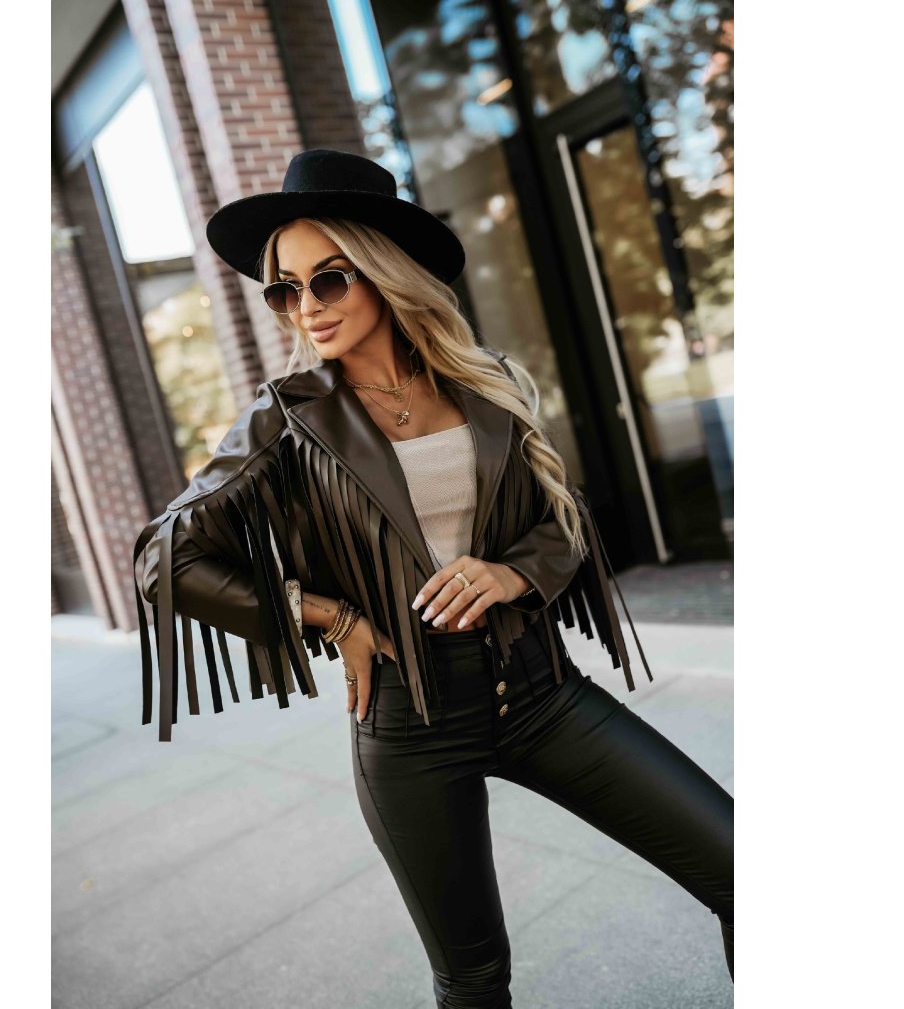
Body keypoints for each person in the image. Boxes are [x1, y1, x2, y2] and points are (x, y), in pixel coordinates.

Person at [133, 148, 733, 1007]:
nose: (307, 308)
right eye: (286, 290)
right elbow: (164, 558)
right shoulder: (288, 417)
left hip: (543, 694)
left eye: (327, 279)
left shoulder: (488, 383)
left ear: (384, 270)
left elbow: (562, 517)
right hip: (410, 728)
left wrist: (513, 573)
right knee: (475, 982)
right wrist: (330, 618)